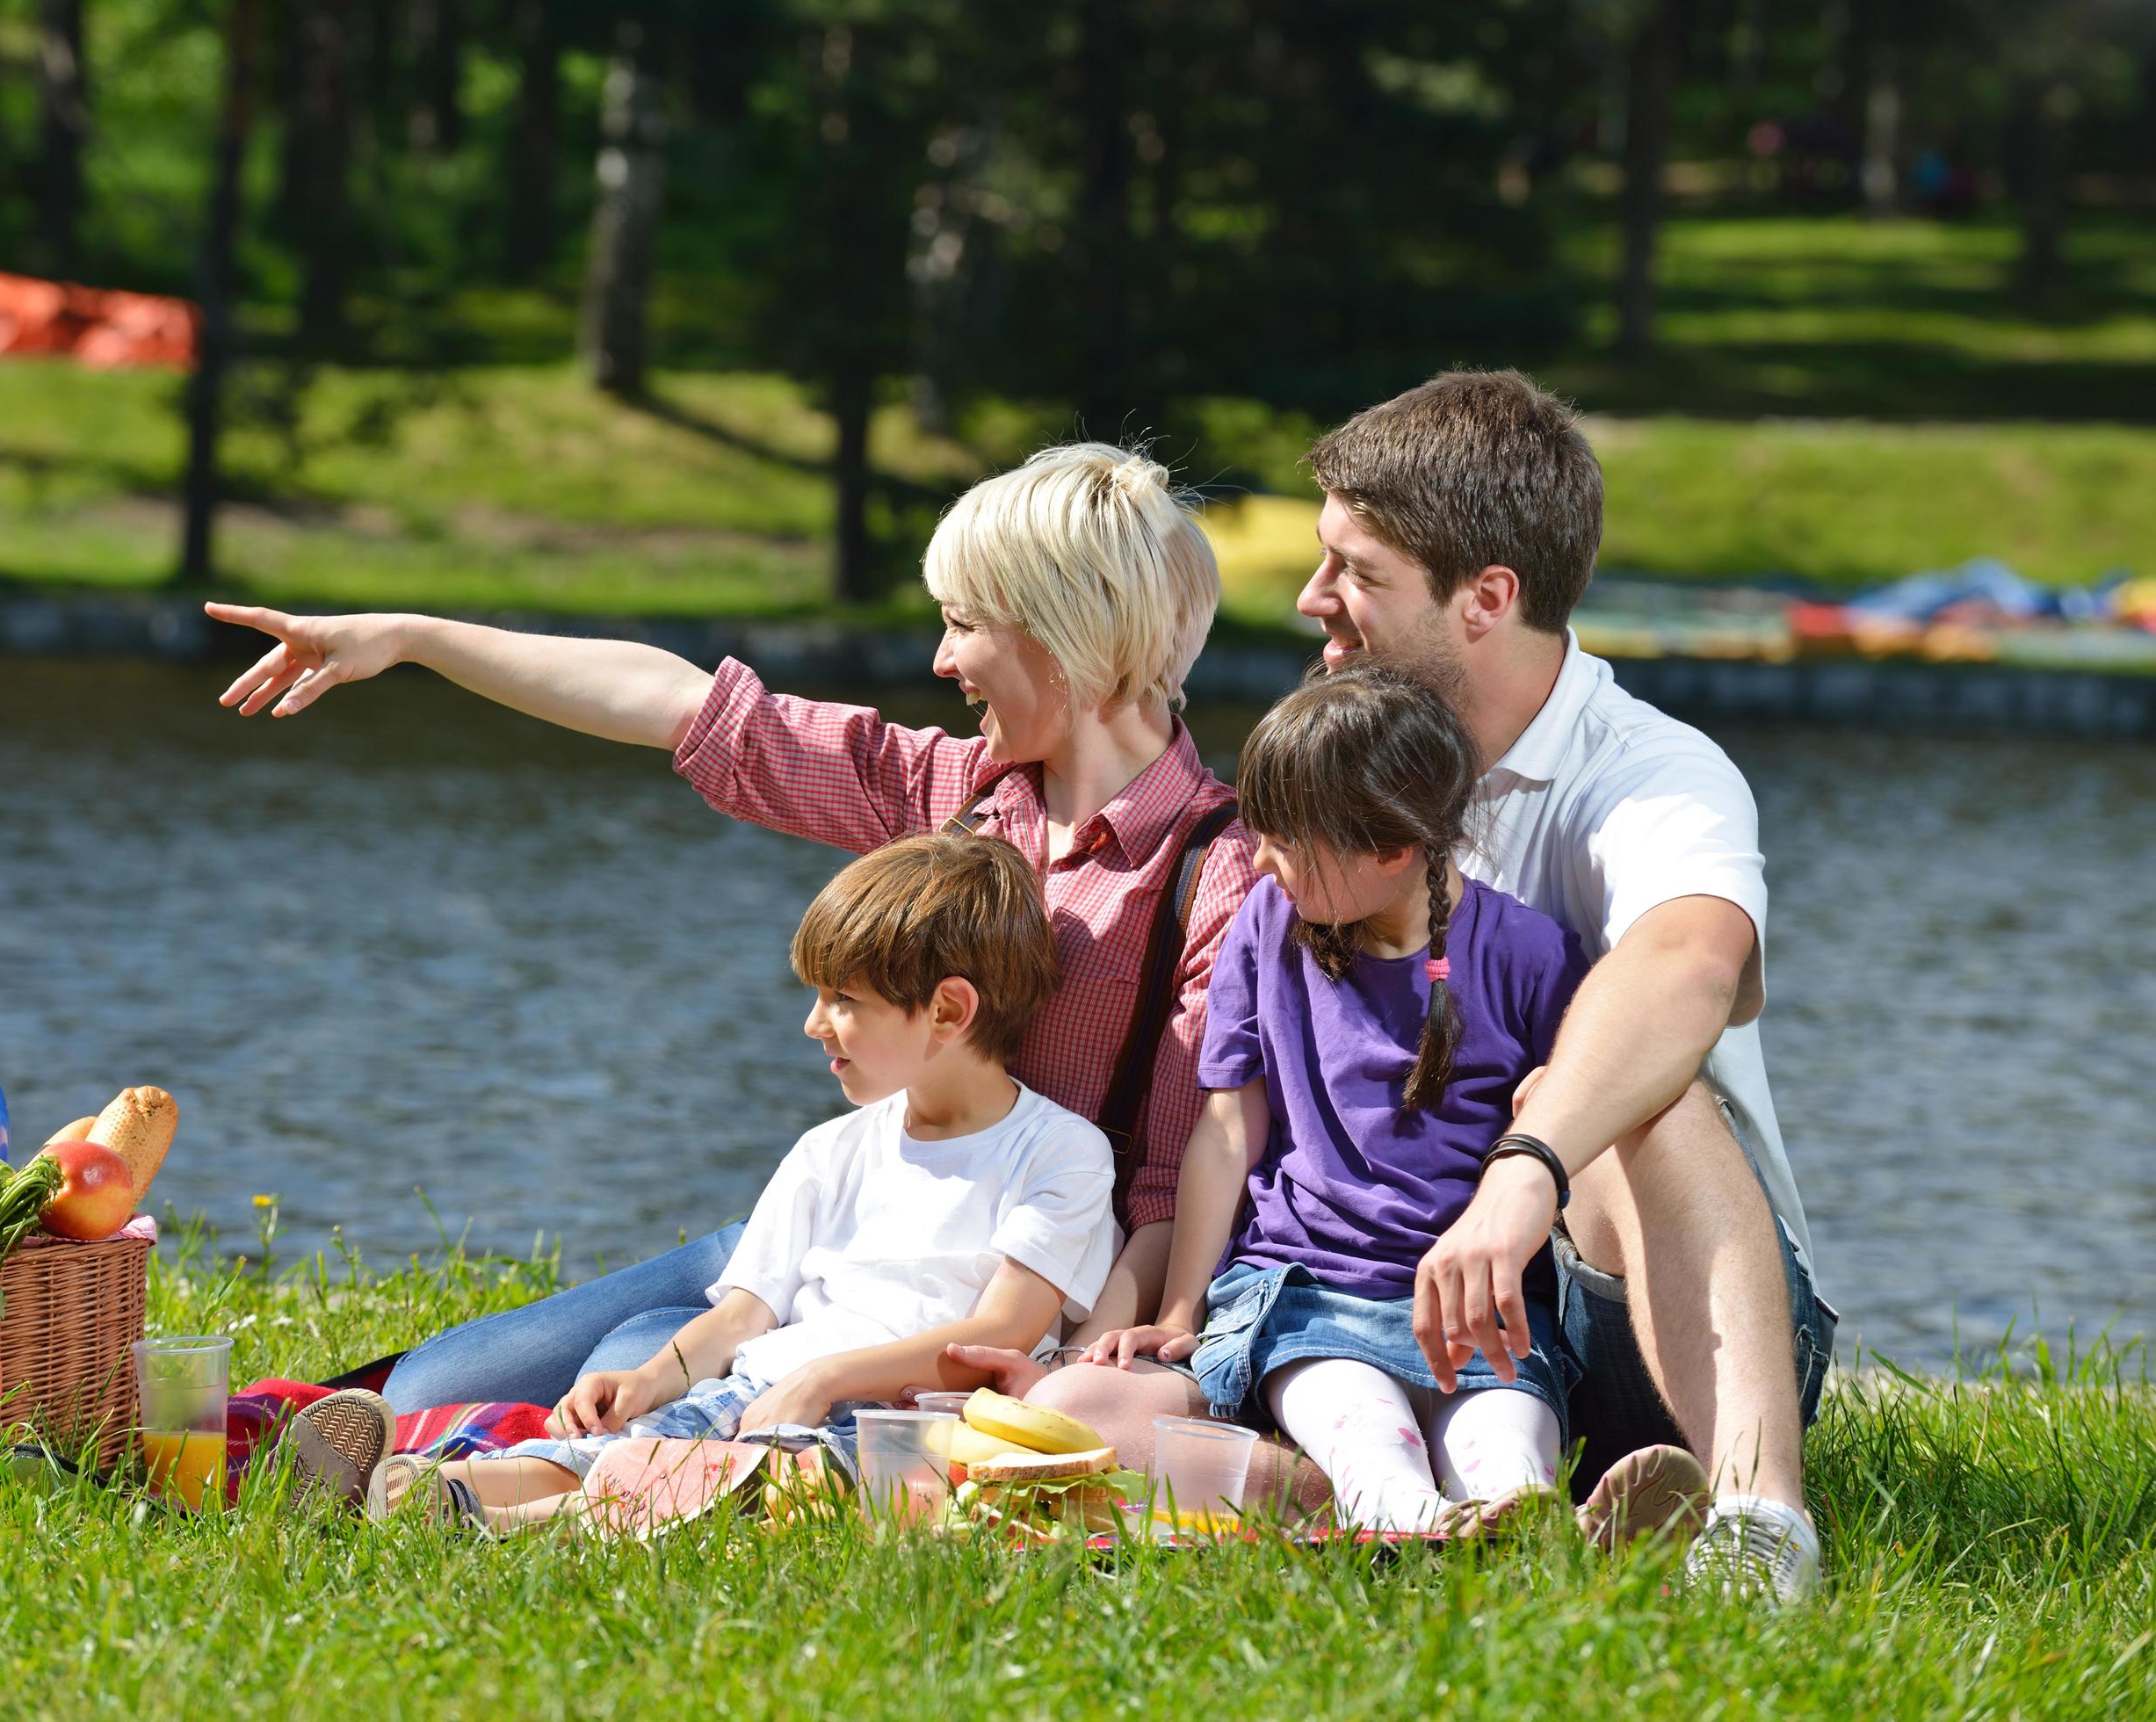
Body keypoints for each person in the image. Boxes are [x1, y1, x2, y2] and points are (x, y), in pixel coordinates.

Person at [956, 371, 1837, 1598]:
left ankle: (1755, 1528)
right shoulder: (1341, 769)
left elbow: (1689, 964)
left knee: (1639, 1085)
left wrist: (1523, 1173)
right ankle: (1394, 1505)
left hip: (1635, 1303)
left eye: (1355, 571)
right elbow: (1232, 1103)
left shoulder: (1652, 775)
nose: (1313, 598)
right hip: (1365, 1293)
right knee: (1091, 1405)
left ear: (1486, 598)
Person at [206, 440, 1255, 1416]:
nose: (941, 659)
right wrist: (413, 639)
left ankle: (604, 1441)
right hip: (841, 1236)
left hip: (988, 1286)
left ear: (1065, 633)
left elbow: (1171, 1178)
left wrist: (1073, 1379)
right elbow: (684, 705)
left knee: (646, 1362)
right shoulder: (950, 791)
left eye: (965, 622)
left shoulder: (1220, 869)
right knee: (426, 1388)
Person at [287, 833, 1122, 1529]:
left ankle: (477, 1518)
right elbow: (743, 1314)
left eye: (843, 999)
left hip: (905, 1422)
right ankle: (416, 1493)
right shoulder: (830, 1149)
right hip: (767, 1387)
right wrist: (647, 1379)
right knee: (602, 1451)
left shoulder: (1058, 1151)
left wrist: (827, 1377)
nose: (812, 1023)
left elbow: (1004, 1331)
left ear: (946, 1011)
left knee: (760, 1486)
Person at [1088, 665, 1589, 1533]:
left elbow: (1567, 1126)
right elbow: (1224, 1129)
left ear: (1393, 849)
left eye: (1285, 841)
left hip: (1477, 1316)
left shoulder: (1531, 954)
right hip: (1307, 1295)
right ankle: (1412, 1523)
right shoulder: (1265, 926)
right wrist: (1182, 1308)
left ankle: (1536, 1525)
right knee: (1369, 1443)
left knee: (1504, 1449)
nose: (1258, 859)